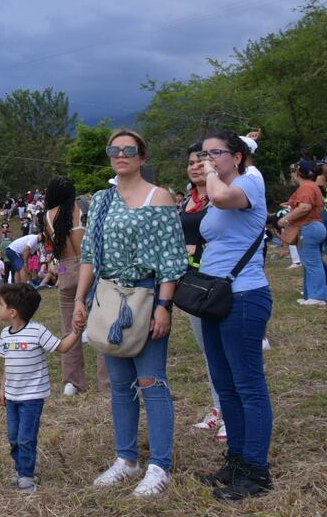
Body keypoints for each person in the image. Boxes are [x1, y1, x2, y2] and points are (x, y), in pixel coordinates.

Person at [72, 129, 187, 498]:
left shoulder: (160, 197)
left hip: (146, 296)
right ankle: (126, 460)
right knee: (119, 385)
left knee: (152, 382)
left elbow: (172, 258)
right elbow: (89, 254)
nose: (121, 155)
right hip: (108, 297)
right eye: (115, 150)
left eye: (129, 150)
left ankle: (160, 466)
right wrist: (80, 299)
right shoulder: (102, 200)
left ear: (142, 156)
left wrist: (164, 305)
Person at [196, 131, 274, 500]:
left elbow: (221, 197)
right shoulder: (222, 186)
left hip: (244, 296)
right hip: (217, 298)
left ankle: (257, 472)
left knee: (248, 385)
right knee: (225, 385)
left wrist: (210, 173)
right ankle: (238, 460)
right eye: (204, 154)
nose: (208, 159)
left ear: (238, 156)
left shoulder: (248, 182)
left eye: (217, 153)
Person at [0, 283, 85, 493]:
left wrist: (77, 332)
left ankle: (27, 475)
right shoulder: (5, 335)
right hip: (12, 397)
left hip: (32, 398)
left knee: (26, 437)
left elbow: (61, 347)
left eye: (0, 305)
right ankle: (20, 469)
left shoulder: (37, 331)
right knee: (13, 436)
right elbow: (6, 365)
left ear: (12, 312)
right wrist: (2, 389)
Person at [42, 176, 106, 398]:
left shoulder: (48, 217)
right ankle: (106, 381)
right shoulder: (83, 208)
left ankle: (72, 382)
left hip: (65, 273)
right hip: (90, 268)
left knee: (69, 329)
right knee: (101, 324)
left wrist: (59, 272)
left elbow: (54, 252)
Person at [178, 143, 225, 436]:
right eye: (191, 162)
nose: (196, 166)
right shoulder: (187, 202)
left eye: (201, 161)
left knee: (226, 350)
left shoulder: (221, 196)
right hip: (195, 284)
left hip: (220, 281)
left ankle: (232, 412)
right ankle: (218, 406)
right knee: (209, 351)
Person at [279, 160, 327, 304]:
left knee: (312, 264)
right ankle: (310, 294)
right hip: (313, 226)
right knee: (309, 263)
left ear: (298, 173)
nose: (292, 174)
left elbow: (305, 207)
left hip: (308, 227)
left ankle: (317, 297)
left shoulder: (306, 187)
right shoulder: (312, 186)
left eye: (293, 171)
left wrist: (285, 219)